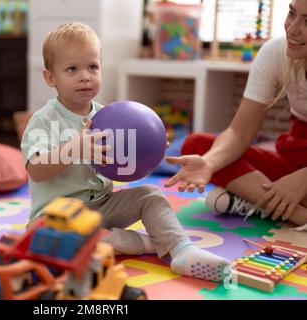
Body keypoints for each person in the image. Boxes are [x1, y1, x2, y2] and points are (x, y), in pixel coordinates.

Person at [20, 22, 229, 281]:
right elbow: (36, 170)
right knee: (52, 241)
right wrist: (74, 148)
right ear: (51, 77)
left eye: (92, 67)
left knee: (149, 195)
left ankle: (182, 249)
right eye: (72, 69)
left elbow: (125, 161)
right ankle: (144, 243)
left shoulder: (107, 114)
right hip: (58, 219)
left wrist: (148, 147)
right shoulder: (43, 121)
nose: (85, 76)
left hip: (103, 206)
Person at [164, 0, 307, 230]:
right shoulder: (275, 52)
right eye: (292, 13)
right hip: (296, 154)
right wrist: (209, 164)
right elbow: (240, 132)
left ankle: (258, 202)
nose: (292, 28)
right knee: (198, 144)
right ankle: (298, 215)